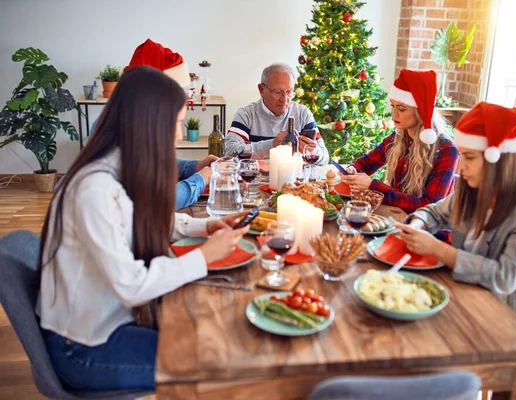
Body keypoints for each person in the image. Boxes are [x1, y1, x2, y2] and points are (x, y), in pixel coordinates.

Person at [36, 66, 250, 391]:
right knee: (218, 362)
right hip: (84, 347)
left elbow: (134, 221)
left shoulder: (113, 167)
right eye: (176, 123)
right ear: (150, 123)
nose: (179, 135)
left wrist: (205, 227)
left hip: (107, 323)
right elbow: (131, 286)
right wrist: (204, 258)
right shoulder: (94, 188)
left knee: (212, 335)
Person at [396, 102, 516, 335]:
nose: (462, 166)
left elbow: (506, 277)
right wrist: (418, 226)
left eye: (469, 157)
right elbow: (434, 212)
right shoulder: (475, 186)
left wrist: (439, 250)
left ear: (495, 159)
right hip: (464, 293)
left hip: (508, 324)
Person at [88, 39, 216, 210]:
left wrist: (195, 167)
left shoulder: (132, 121)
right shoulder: (116, 133)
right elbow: (154, 203)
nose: (178, 135)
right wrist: (199, 180)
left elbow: (158, 163)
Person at [341, 69, 459, 215]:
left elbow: (429, 206)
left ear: (420, 111)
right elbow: (366, 163)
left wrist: (374, 186)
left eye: (402, 108)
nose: (394, 113)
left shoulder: (446, 149)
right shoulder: (397, 137)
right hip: (397, 217)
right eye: (392, 105)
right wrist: (353, 169)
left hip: (428, 231)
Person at [224, 63, 330, 165]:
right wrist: (272, 145)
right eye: (278, 92)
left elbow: (325, 157)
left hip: (294, 181)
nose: (284, 99)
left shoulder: (302, 113)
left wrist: (314, 152)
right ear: (261, 90)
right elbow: (230, 152)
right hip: (256, 180)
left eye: (289, 92)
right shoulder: (246, 115)